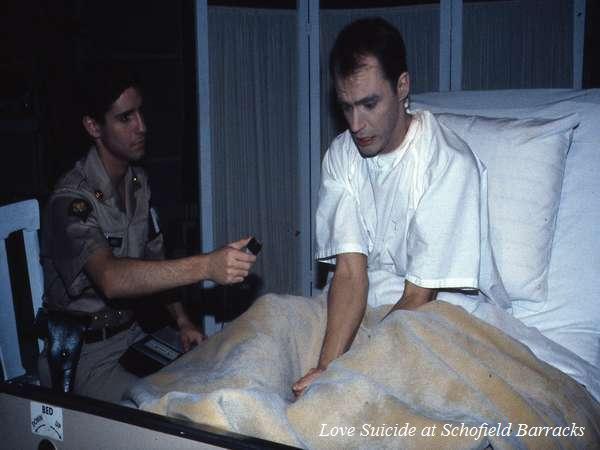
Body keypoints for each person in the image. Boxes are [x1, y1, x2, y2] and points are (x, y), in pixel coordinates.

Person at [290, 17, 508, 396]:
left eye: (370, 104)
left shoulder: (447, 162)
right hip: (372, 300)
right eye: (346, 107)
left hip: (438, 311)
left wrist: (349, 372)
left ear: (402, 86)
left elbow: (419, 297)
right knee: (273, 320)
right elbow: (350, 274)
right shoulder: (342, 155)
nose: (357, 124)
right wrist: (327, 367)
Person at [39, 63, 257, 402]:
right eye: (125, 118)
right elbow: (110, 277)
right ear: (93, 126)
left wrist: (183, 322)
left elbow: (155, 259)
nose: (142, 127)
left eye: (140, 113)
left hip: (131, 336)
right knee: (171, 411)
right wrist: (207, 266)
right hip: (82, 356)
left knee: (215, 374)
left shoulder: (138, 183)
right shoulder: (71, 202)